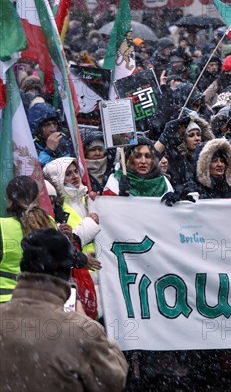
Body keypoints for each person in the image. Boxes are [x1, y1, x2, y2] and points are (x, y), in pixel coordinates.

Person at [0, 228, 128, 392]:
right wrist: (88, 323)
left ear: (23, 267)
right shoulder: (82, 331)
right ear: (66, 273)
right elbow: (114, 380)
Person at [103, 137, 173, 197]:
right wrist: (120, 196)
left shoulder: (164, 183)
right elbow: (108, 209)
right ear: (129, 159)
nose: (143, 161)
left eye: (147, 156)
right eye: (138, 156)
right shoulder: (115, 181)